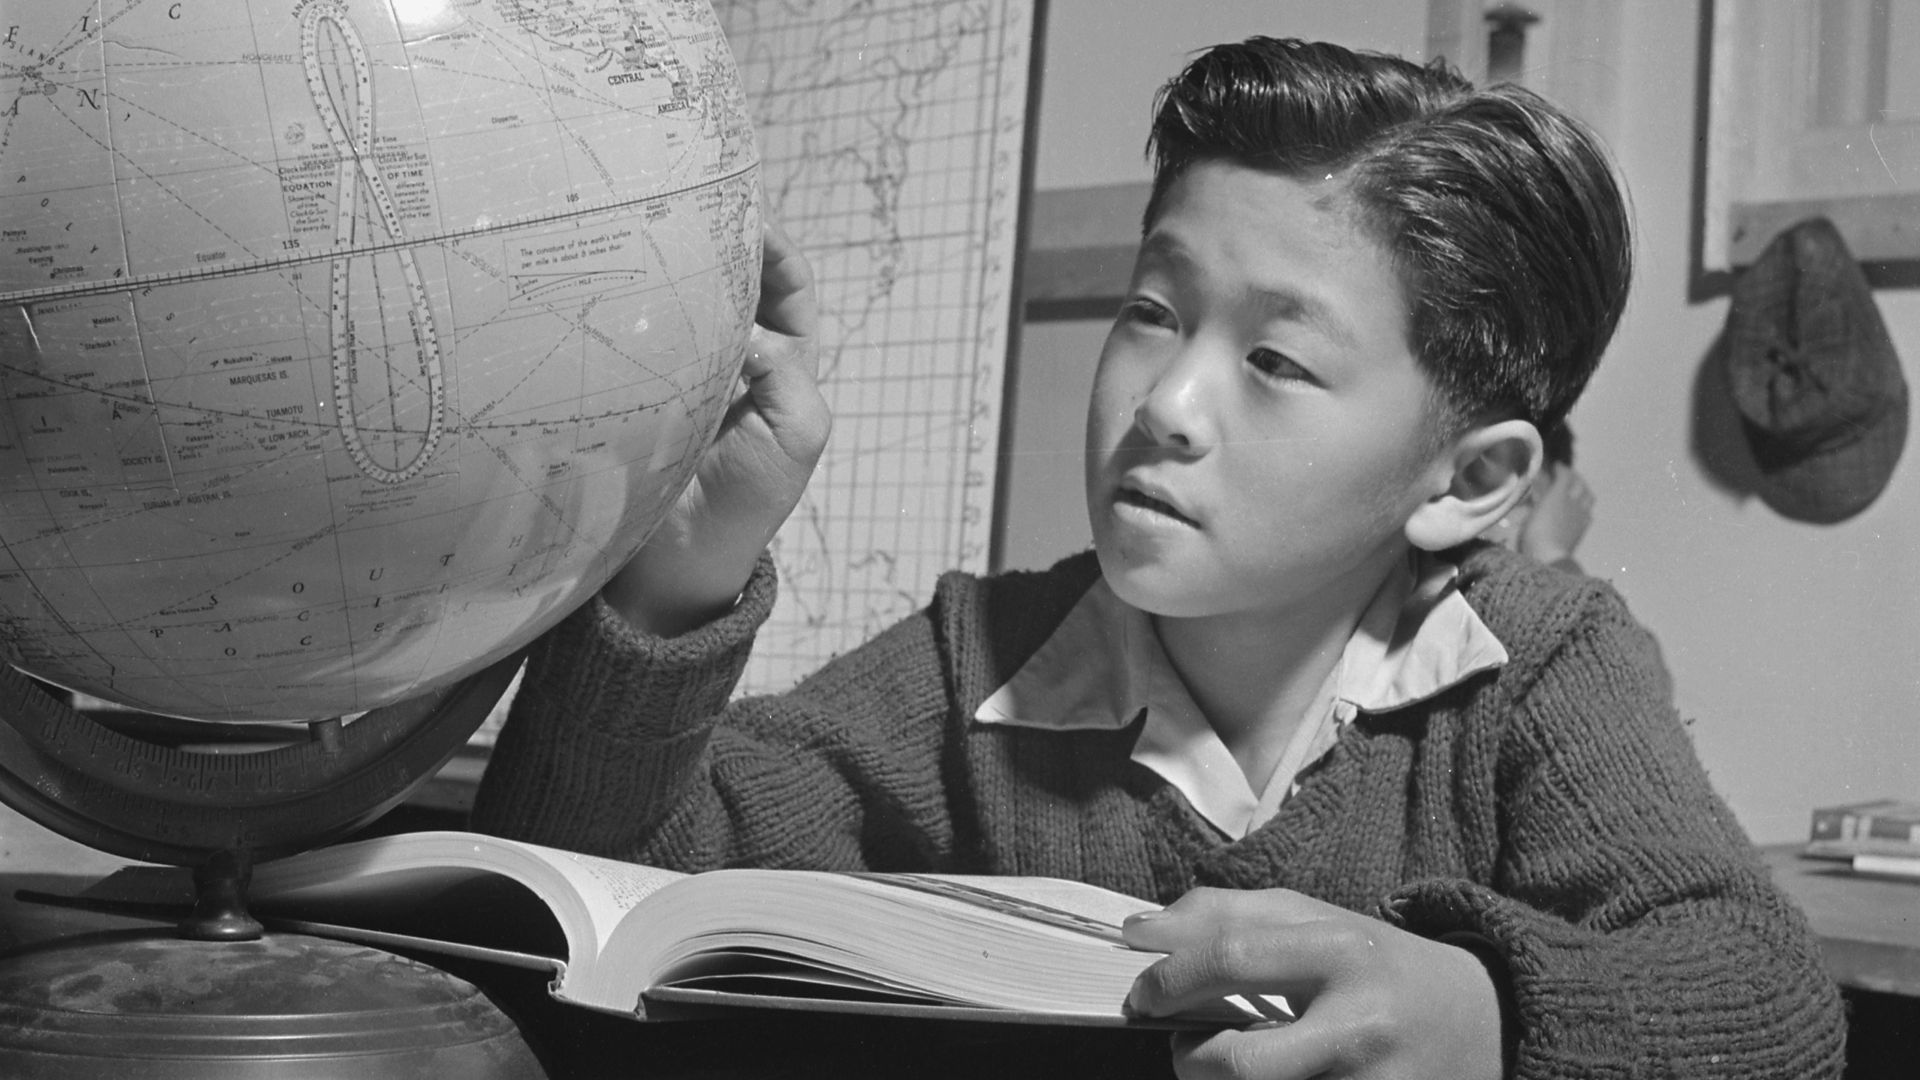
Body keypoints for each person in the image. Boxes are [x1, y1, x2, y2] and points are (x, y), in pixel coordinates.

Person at [473, 37, 1845, 1080]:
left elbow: (1772, 1003)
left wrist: (1489, 1013)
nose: (1164, 405)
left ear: (1468, 480)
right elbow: (593, 888)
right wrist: (682, 571)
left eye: (1276, 360)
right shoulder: (976, 663)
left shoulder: (1536, 663)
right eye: (1151, 309)